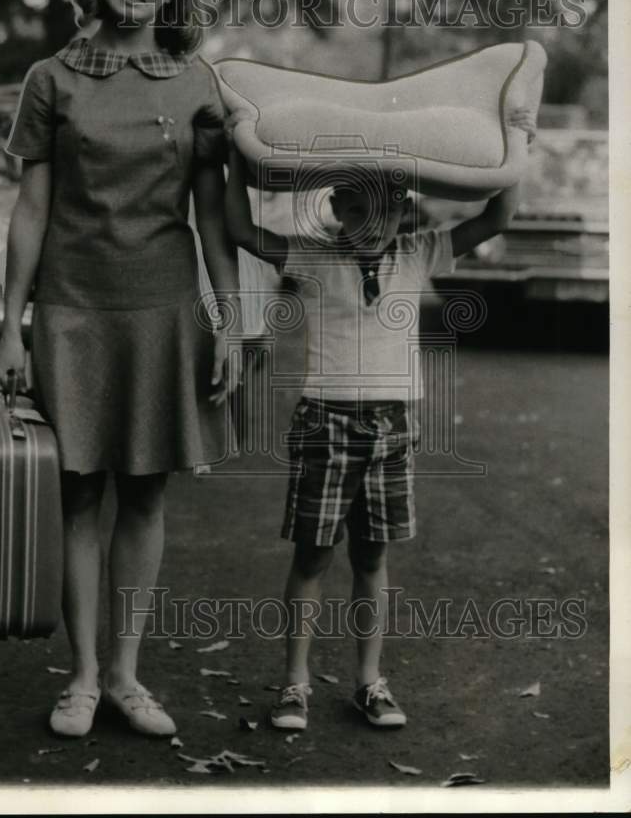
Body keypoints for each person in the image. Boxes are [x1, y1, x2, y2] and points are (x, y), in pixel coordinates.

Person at [0, 0, 241, 739]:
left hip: (164, 314)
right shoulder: (50, 78)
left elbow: (212, 217)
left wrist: (231, 322)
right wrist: (10, 326)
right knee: (76, 499)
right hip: (73, 311)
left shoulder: (197, 82)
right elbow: (31, 209)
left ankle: (130, 677)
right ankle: (84, 679)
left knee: (142, 499)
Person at [225, 107, 535, 731]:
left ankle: (370, 681)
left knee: (372, 560)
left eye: (387, 210)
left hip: (392, 428)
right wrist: (236, 150)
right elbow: (237, 224)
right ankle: (294, 685)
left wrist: (516, 139)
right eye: (359, 210)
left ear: (404, 212)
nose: (373, 224)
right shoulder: (312, 258)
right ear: (337, 208)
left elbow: (498, 214)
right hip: (325, 424)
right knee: (312, 559)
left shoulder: (419, 255)